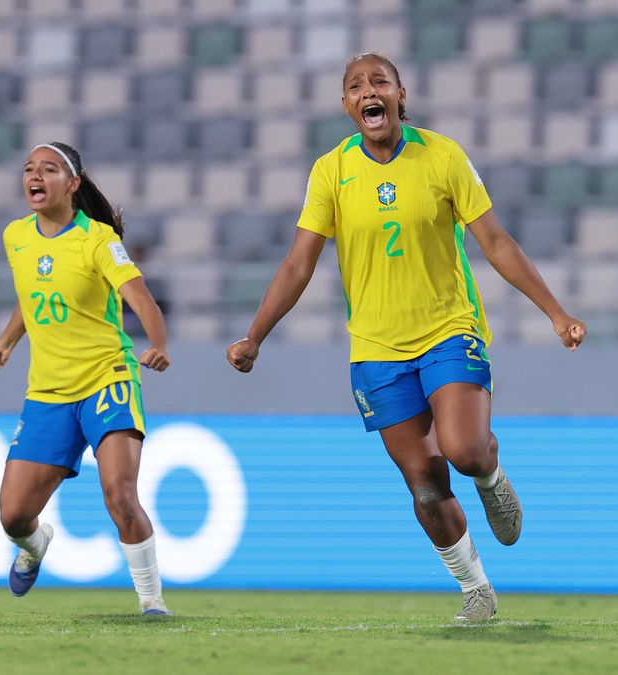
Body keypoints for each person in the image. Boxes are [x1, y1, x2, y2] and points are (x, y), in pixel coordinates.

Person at [225, 53, 586, 622]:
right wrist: (255, 336)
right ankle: (476, 591)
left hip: (448, 329)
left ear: (400, 94)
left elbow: (494, 242)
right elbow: (298, 264)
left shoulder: (442, 155)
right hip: (375, 350)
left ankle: (491, 475)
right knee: (423, 482)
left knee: (464, 450)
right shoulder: (331, 172)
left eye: (380, 82)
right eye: (355, 86)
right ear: (346, 106)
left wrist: (555, 313)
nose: (369, 92)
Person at [0, 142, 174, 616]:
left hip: (107, 378)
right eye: (28, 169)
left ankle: (152, 602)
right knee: (13, 516)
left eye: (48, 169)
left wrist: (158, 344)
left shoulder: (98, 239)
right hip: (47, 391)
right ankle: (35, 544)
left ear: (73, 183)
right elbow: (32, 298)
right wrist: (6, 342)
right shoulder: (15, 237)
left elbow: (140, 296)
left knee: (120, 496)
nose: (35, 176)